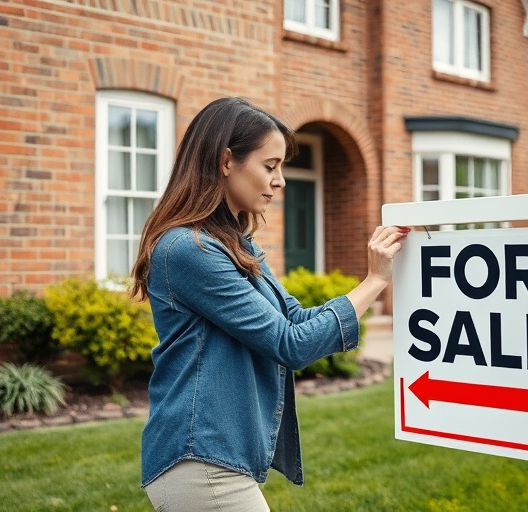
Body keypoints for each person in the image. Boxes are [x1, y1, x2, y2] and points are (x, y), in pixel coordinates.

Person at [130, 97, 408, 511]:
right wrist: (375, 281)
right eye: (270, 165)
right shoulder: (189, 250)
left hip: (214, 460)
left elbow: (293, 319)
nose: (280, 181)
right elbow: (290, 343)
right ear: (227, 161)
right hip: (200, 460)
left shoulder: (235, 245)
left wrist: (372, 284)